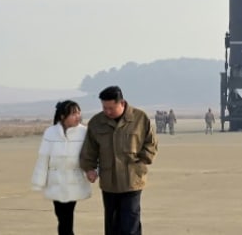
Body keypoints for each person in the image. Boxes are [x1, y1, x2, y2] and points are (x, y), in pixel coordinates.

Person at [80, 86, 157, 235]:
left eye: (111, 108)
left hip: (132, 180)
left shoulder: (140, 118)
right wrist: (89, 169)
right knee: (112, 225)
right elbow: (89, 149)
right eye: (104, 108)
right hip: (109, 182)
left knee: (130, 224)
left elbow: (151, 144)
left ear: (122, 103)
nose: (107, 111)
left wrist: (142, 160)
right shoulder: (96, 122)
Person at [31, 100, 92, 235]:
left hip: (73, 181)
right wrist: (38, 182)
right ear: (63, 116)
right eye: (73, 114)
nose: (78, 116)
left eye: (78, 113)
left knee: (66, 218)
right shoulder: (50, 132)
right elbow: (43, 158)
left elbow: (91, 155)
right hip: (56, 182)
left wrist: (92, 171)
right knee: (60, 215)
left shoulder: (84, 132)